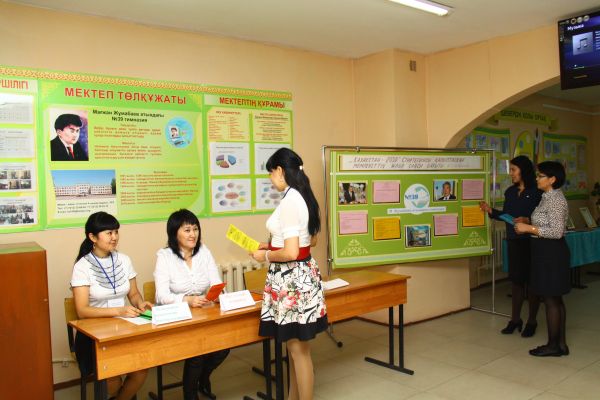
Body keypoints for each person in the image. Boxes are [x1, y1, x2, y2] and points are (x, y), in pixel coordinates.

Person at [250, 147, 328, 400]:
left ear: (280, 170)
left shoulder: (290, 201)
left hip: (292, 280)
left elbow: (292, 252)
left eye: (270, 173)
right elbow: (310, 241)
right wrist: (270, 245)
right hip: (302, 276)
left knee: (298, 351)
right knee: (295, 348)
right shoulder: (303, 195)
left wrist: (265, 256)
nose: (270, 179)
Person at [70, 212, 151, 400]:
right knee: (112, 377)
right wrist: (119, 310)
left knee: (142, 368)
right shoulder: (82, 266)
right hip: (93, 335)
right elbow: (82, 310)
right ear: (92, 237)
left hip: (124, 328)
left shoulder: (124, 260)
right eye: (108, 233)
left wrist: (141, 303)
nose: (114, 237)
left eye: (116, 232)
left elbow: (133, 294)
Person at [154, 209, 229, 400]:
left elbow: (215, 282)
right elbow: (161, 295)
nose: (193, 234)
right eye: (187, 230)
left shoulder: (203, 251)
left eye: (195, 229)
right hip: (177, 315)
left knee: (224, 345)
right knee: (198, 351)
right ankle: (190, 393)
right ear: (174, 233)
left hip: (202, 312)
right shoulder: (165, 256)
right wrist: (187, 299)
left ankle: (203, 377)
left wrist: (218, 294)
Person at [480, 156, 542, 337]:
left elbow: (544, 219)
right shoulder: (510, 192)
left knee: (532, 283)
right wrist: (491, 211)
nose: (511, 173)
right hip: (514, 241)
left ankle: (532, 321)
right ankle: (515, 320)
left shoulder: (537, 192)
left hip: (532, 241)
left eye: (514, 170)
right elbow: (507, 215)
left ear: (524, 171)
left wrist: (528, 220)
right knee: (516, 281)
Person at [515, 161, 570, 357]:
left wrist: (528, 228)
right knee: (555, 298)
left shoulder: (555, 199)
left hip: (551, 252)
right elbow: (547, 222)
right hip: (546, 251)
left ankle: (553, 346)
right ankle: (560, 345)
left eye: (541, 176)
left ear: (552, 179)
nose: (537, 178)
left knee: (550, 299)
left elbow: (556, 231)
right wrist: (528, 221)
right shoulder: (547, 197)